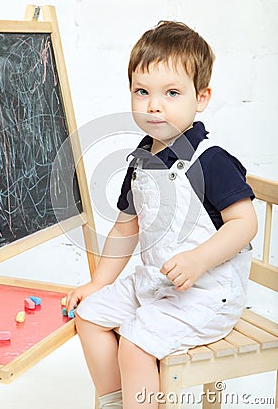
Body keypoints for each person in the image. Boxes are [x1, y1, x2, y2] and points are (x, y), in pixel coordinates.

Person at [67, 21, 258, 409]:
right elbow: (127, 225)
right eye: (143, 92)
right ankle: (116, 401)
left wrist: (197, 259)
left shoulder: (211, 160)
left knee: (135, 342)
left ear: (200, 98)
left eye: (172, 93)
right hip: (156, 283)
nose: (154, 105)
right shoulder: (140, 160)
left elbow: (245, 223)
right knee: (88, 315)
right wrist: (98, 283)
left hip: (209, 294)